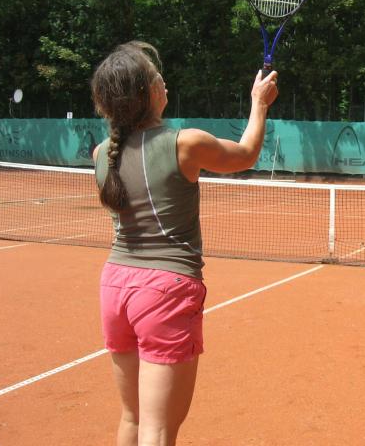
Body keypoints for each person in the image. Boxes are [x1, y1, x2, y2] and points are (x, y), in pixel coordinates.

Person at [90, 40, 278, 446]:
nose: (164, 81)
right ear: (148, 92)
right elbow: (245, 154)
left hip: (115, 286)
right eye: (157, 77)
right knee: (158, 431)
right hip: (165, 291)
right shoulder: (184, 143)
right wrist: (258, 104)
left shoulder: (101, 154)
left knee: (133, 419)